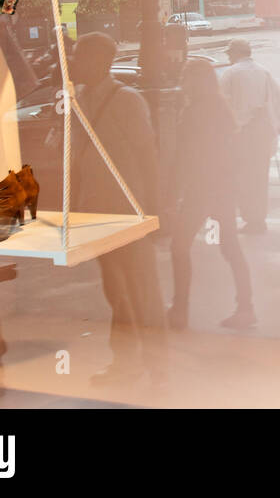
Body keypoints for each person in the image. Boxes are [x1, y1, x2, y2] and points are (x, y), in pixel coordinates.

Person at [70, 32, 166, 384]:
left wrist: (156, 210)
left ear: (100, 61)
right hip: (96, 212)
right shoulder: (79, 99)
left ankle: (158, 368)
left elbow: (148, 156)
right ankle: (125, 364)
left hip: (128, 211)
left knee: (142, 291)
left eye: (80, 56)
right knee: (116, 291)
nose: (73, 62)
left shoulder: (127, 100)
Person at [167, 57, 254, 330]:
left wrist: (173, 192)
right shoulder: (220, 109)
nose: (182, 83)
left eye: (186, 78)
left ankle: (180, 308)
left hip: (200, 190)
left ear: (194, 82)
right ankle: (245, 306)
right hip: (221, 188)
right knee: (230, 248)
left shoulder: (194, 112)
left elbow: (184, 157)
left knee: (179, 247)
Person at [218, 39, 280, 235]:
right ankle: (258, 219)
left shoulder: (230, 73)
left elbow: (222, 104)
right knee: (260, 177)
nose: (228, 57)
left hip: (241, 133)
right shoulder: (263, 71)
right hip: (262, 131)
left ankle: (251, 218)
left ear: (235, 54)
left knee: (242, 178)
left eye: (229, 53)